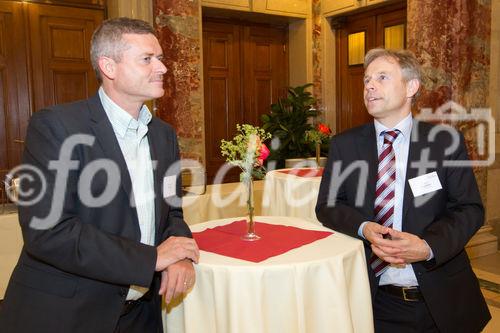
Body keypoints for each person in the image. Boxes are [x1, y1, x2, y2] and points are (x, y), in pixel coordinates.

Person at [0, 17, 199, 332]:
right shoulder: (57, 127)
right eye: (148, 59)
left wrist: (182, 253)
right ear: (109, 66)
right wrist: (152, 259)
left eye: (160, 58)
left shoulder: (164, 135)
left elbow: (171, 211)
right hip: (70, 314)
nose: (162, 68)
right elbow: (49, 232)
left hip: (141, 315)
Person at [316, 48, 491, 332]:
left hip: (439, 300)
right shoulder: (345, 145)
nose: (369, 85)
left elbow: (469, 209)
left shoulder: (444, 142)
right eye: (367, 79)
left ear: (411, 86)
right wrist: (363, 227)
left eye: (382, 77)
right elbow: (328, 204)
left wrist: (427, 247)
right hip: (374, 300)